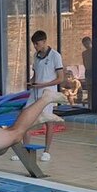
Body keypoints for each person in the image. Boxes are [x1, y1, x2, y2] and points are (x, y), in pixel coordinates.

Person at [18, 30, 63, 163]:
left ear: (44, 41)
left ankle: (46, 151)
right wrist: (31, 82)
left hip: (48, 94)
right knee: (25, 118)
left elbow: (60, 78)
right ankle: (26, 150)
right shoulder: (35, 56)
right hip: (35, 92)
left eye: (37, 44)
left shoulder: (55, 56)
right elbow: (36, 75)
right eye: (34, 44)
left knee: (48, 121)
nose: (35, 47)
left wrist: (43, 85)